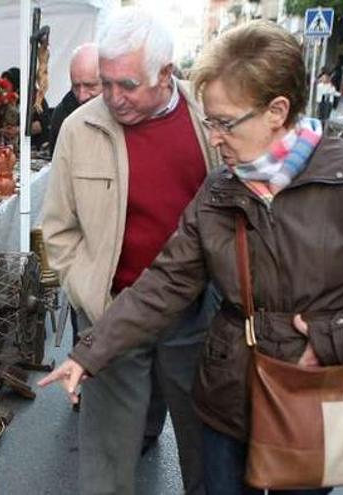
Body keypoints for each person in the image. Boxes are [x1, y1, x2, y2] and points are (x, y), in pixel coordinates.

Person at [40, 20, 343, 495]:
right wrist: (90, 351)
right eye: (209, 121)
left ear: (278, 110)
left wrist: (336, 336)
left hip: (318, 389)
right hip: (228, 391)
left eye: (224, 123)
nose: (212, 138)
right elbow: (166, 281)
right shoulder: (219, 189)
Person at [40, 6, 220, 495]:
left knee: (206, 447)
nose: (112, 98)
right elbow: (57, 230)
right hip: (113, 314)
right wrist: (93, 298)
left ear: (165, 74)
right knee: (106, 458)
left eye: (127, 85)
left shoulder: (208, 122)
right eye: (105, 82)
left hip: (194, 316)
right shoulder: (80, 130)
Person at [49, 43, 103, 151]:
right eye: (76, 86)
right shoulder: (62, 116)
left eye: (90, 86)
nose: (81, 96)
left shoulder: (125, 111)